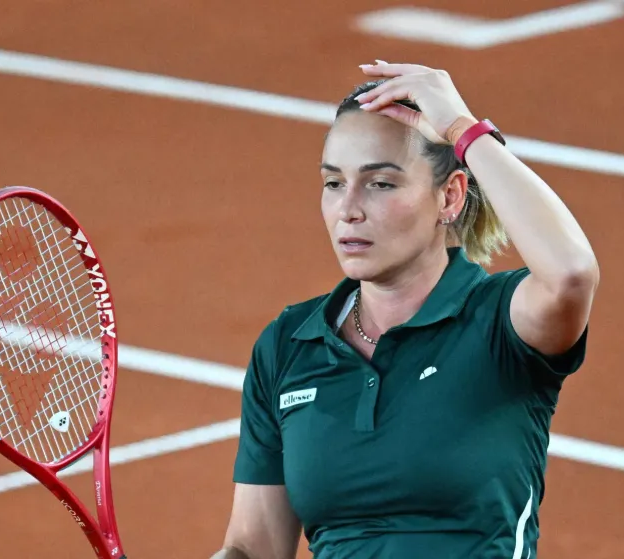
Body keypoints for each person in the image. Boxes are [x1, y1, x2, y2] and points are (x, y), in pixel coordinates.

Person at [211, 60, 600, 559]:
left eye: (380, 183)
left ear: (450, 196)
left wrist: (463, 130)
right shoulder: (289, 346)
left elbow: (571, 273)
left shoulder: (501, 324)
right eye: (334, 183)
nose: (348, 208)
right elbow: (254, 546)